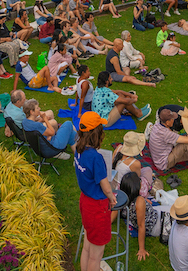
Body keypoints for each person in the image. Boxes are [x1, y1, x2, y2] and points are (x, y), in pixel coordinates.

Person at [73, 112, 117, 271]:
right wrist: (112, 197)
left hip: (85, 201)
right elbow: (105, 186)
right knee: (96, 256)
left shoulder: (78, 148)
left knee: (87, 247)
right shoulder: (96, 158)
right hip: (97, 207)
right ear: (97, 133)